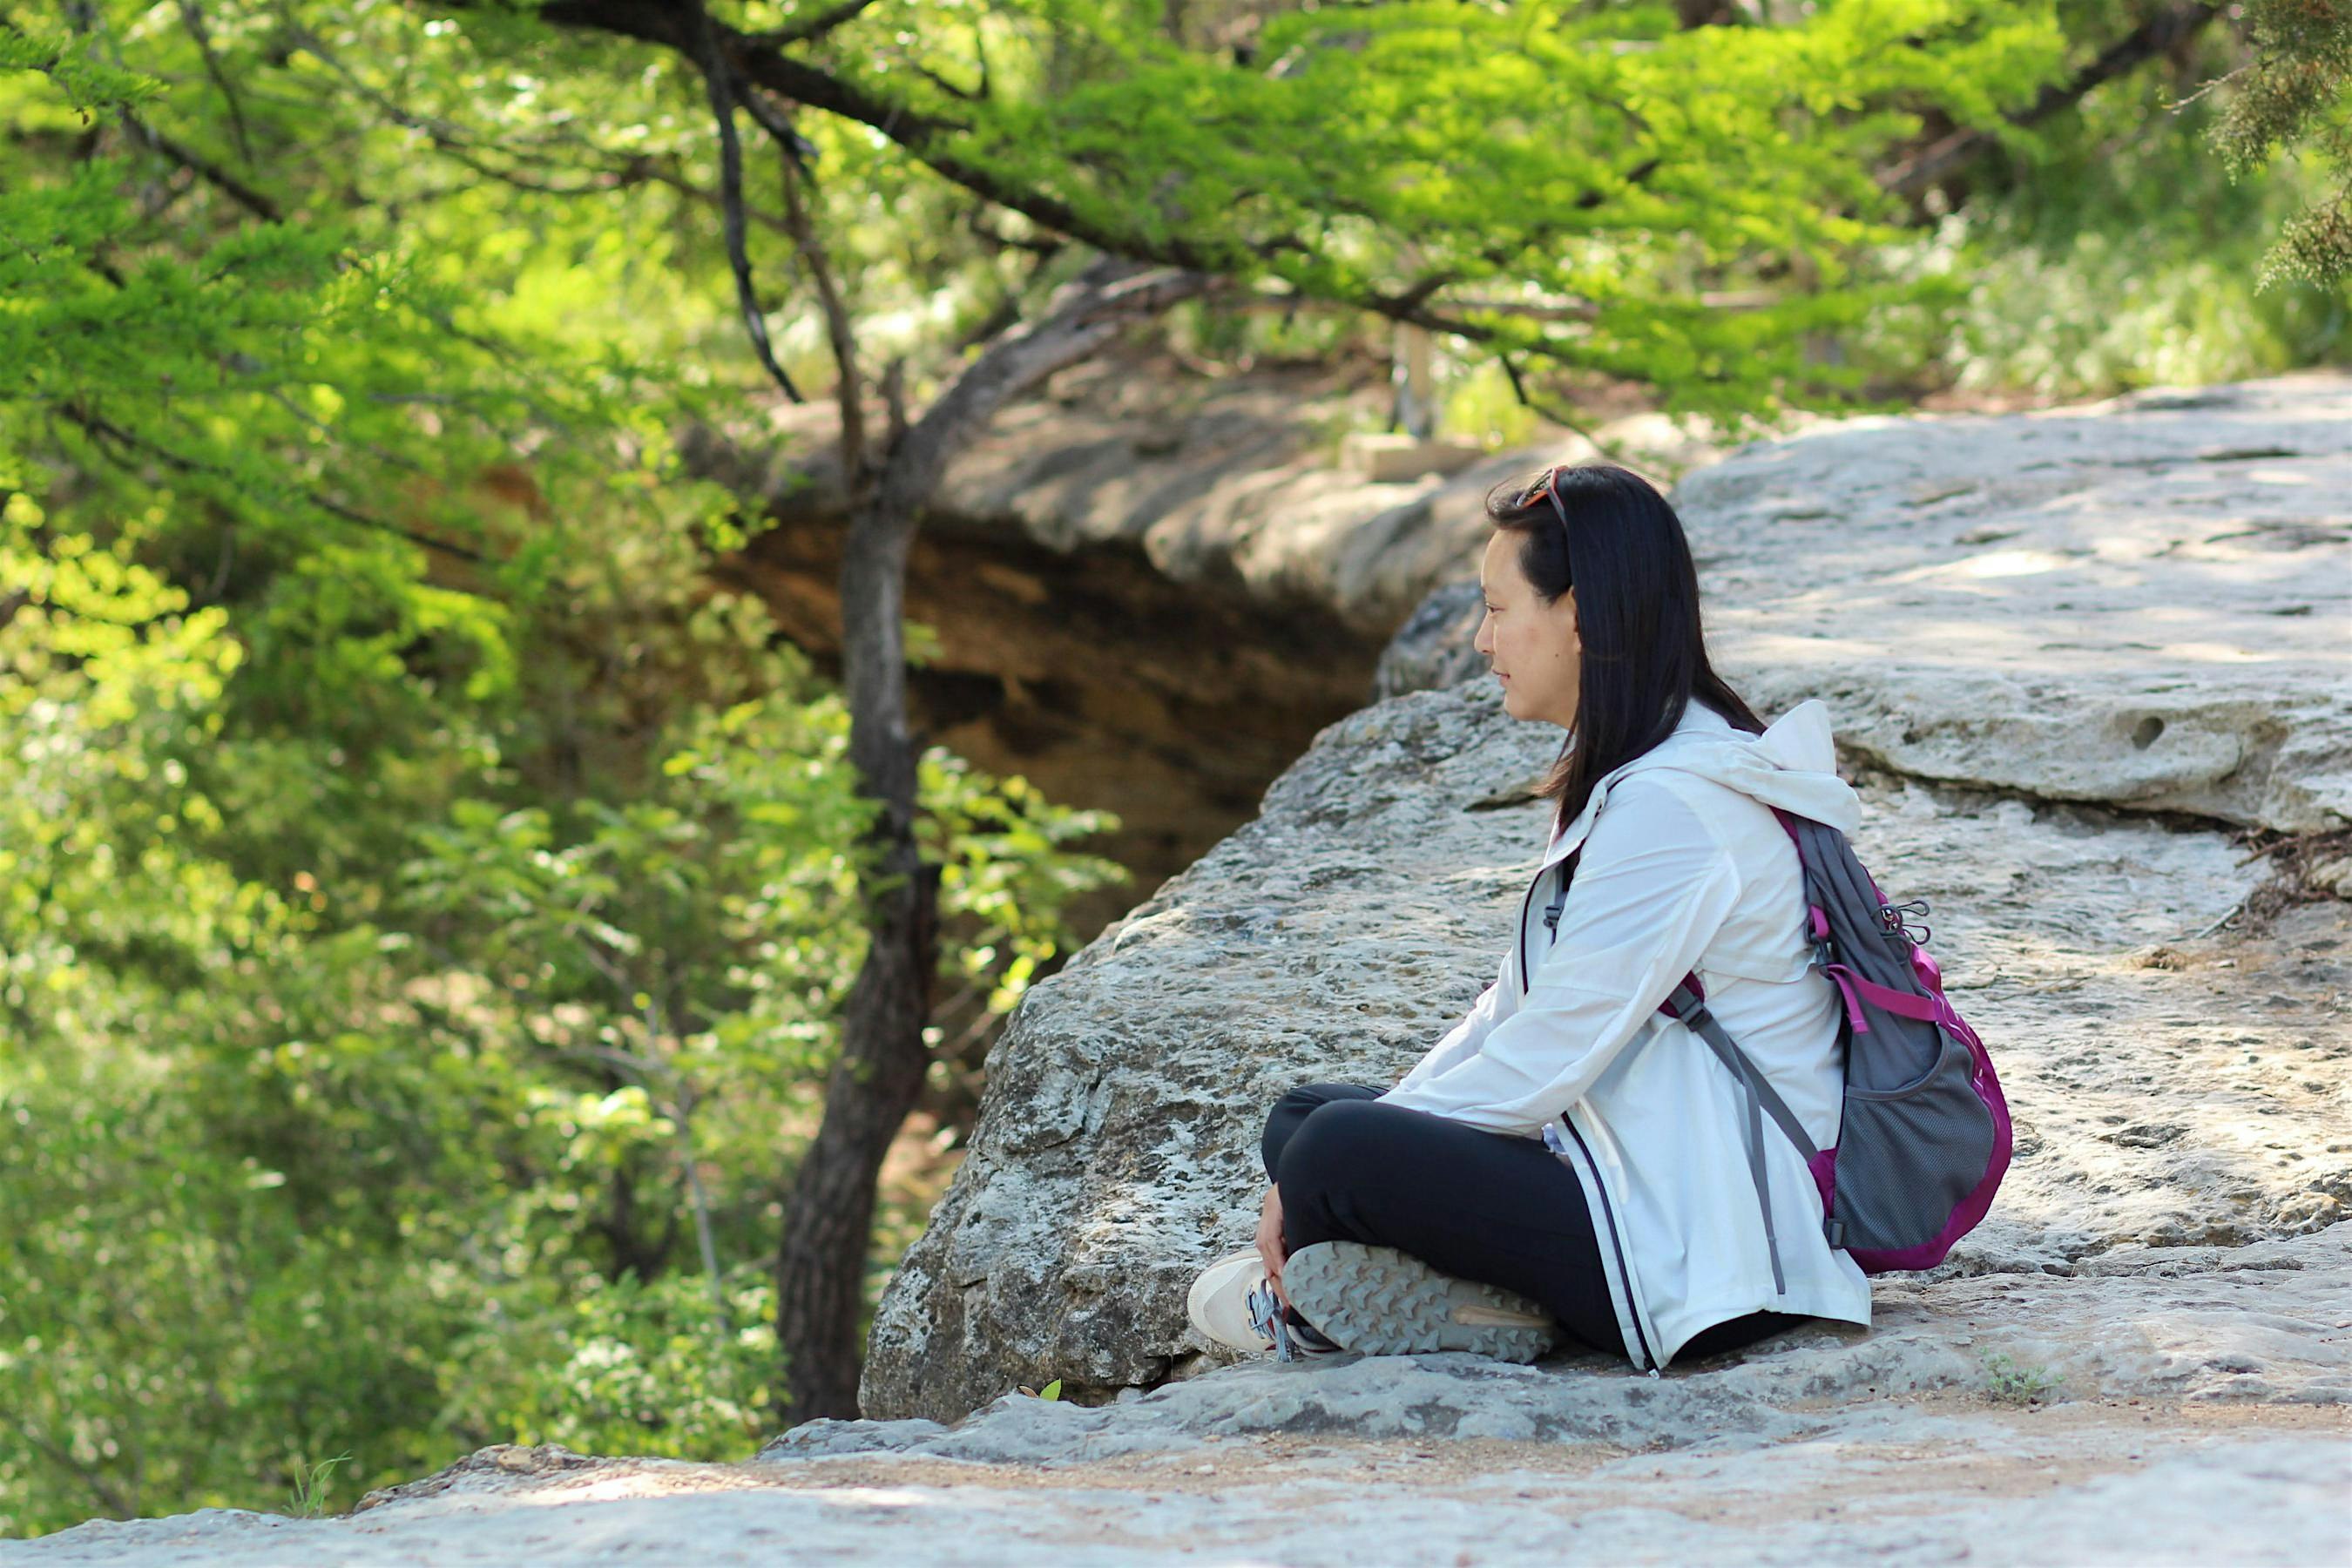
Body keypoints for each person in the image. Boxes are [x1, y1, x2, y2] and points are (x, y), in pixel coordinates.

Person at [1186, 463, 1873, 1373]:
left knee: (1333, 1152)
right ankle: (1473, 1304)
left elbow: (1546, 1055)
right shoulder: (1652, 769)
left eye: (1497, 608)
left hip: (1716, 1257)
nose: (1481, 640)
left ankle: (1330, 1304)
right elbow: (1508, 1013)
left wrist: (1324, 1168)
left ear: (1579, 617)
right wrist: (1378, 1129)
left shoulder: (1677, 808)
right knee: (1310, 1118)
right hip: (1634, 1174)